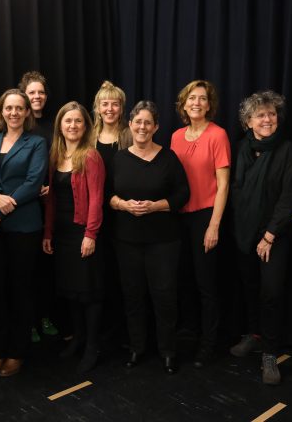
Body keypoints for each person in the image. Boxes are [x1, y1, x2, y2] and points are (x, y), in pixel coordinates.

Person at [109, 100, 189, 375]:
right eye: (137, 122)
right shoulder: (118, 158)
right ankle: (137, 347)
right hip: (127, 240)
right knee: (133, 297)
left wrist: (155, 206)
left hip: (164, 241)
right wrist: (123, 205)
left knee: (164, 296)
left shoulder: (168, 158)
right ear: (129, 125)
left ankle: (168, 351)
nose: (142, 127)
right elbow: (108, 195)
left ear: (156, 127)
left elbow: (182, 195)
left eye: (148, 122)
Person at [0, 89, 47, 377]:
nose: (14, 113)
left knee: (21, 290)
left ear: (27, 112)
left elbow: (33, 182)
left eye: (20, 108)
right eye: (8, 108)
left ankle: (16, 352)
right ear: (1, 111)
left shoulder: (37, 142)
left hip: (22, 226)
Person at [229, 90, 292, 385]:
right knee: (249, 287)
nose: (267, 119)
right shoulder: (241, 148)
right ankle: (254, 335)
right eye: (260, 115)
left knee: (271, 293)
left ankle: (270, 353)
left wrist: (270, 235)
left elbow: (288, 197)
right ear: (248, 122)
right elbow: (236, 190)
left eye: (271, 114)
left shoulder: (287, 151)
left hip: (274, 234)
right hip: (244, 231)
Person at [170, 80, 231, 368]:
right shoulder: (175, 136)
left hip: (206, 216)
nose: (196, 103)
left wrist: (214, 225)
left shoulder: (218, 135)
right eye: (191, 98)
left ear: (209, 105)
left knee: (206, 284)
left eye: (202, 99)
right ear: (183, 104)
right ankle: (190, 334)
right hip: (178, 218)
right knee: (184, 280)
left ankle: (209, 343)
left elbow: (223, 185)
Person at [42, 102, 106, 373]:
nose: (73, 126)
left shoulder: (90, 156)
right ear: (60, 125)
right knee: (71, 292)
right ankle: (77, 338)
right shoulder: (55, 155)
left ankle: (92, 346)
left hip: (83, 231)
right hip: (63, 232)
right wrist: (48, 232)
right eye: (68, 121)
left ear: (85, 126)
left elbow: (96, 200)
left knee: (88, 292)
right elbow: (51, 200)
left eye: (78, 121)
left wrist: (90, 234)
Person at [18, 71, 59, 341]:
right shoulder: (18, 123)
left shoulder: (54, 125)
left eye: (41, 92)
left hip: (52, 202)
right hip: (25, 204)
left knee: (48, 268)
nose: (37, 96)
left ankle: (46, 317)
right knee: (26, 269)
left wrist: (51, 186)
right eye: (32, 92)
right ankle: (28, 322)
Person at [92, 80, 132, 346]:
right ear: (97, 108)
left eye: (114, 104)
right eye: (104, 104)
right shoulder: (89, 136)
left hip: (122, 213)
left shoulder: (130, 134)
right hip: (96, 214)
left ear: (121, 108)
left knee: (123, 273)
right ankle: (104, 327)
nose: (109, 108)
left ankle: (126, 328)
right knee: (100, 273)